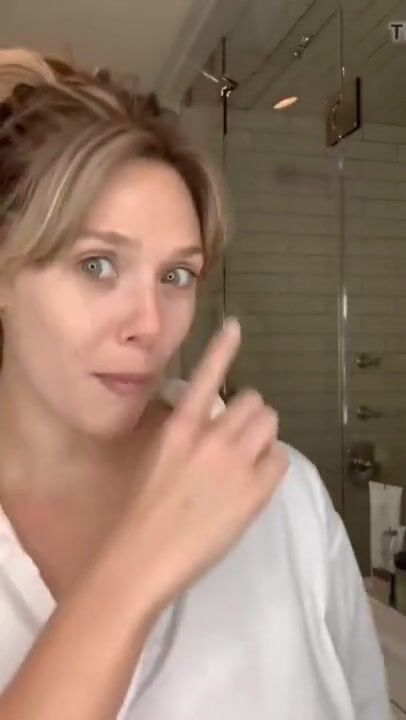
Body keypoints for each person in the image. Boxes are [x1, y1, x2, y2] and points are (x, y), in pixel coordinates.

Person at [0, 48, 391, 720]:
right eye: (97, 265)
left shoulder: (282, 495)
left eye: (176, 276)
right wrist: (137, 571)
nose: (150, 325)